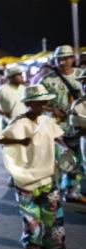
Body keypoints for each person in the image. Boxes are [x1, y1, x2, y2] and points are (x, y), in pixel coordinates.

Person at [0, 85, 69, 249]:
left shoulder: (48, 121)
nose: (42, 106)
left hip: (47, 176)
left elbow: (58, 138)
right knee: (30, 214)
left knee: (52, 213)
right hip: (26, 177)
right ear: (29, 103)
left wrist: (66, 151)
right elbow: (1, 140)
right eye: (37, 103)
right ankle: (32, 240)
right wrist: (20, 142)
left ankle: (54, 242)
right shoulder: (20, 122)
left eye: (43, 103)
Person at [40, 45, 86, 204]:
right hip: (56, 128)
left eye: (66, 58)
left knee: (78, 161)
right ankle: (54, 191)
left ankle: (73, 190)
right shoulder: (47, 80)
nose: (62, 62)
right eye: (59, 59)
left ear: (73, 58)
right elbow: (37, 103)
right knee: (56, 161)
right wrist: (51, 109)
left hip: (78, 128)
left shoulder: (81, 76)